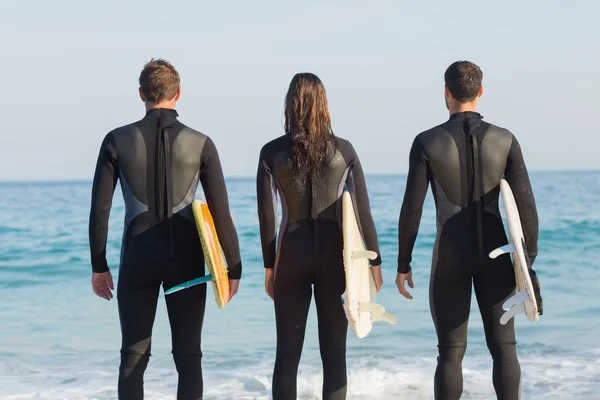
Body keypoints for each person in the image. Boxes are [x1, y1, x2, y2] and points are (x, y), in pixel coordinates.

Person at [88, 58, 242, 399]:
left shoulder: (116, 140)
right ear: (179, 93)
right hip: (186, 260)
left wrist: (99, 265)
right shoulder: (202, 143)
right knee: (189, 356)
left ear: (141, 93)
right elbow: (220, 211)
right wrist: (234, 267)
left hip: (138, 257)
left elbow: (101, 209)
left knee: (133, 356)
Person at [395, 61, 539, 400]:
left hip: (450, 256)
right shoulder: (505, 140)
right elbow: (527, 208)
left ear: (446, 92)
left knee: (450, 352)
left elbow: (411, 208)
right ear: (481, 91)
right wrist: (526, 263)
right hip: (498, 256)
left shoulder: (426, 142)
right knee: (504, 349)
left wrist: (404, 263)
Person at [256, 72, 384, 399]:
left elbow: (267, 216)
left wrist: (271, 266)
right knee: (335, 355)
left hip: (291, 258)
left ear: (290, 105)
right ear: (324, 104)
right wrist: (374, 263)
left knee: (287, 356)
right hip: (336, 260)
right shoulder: (345, 151)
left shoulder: (271, 153)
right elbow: (362, 213)